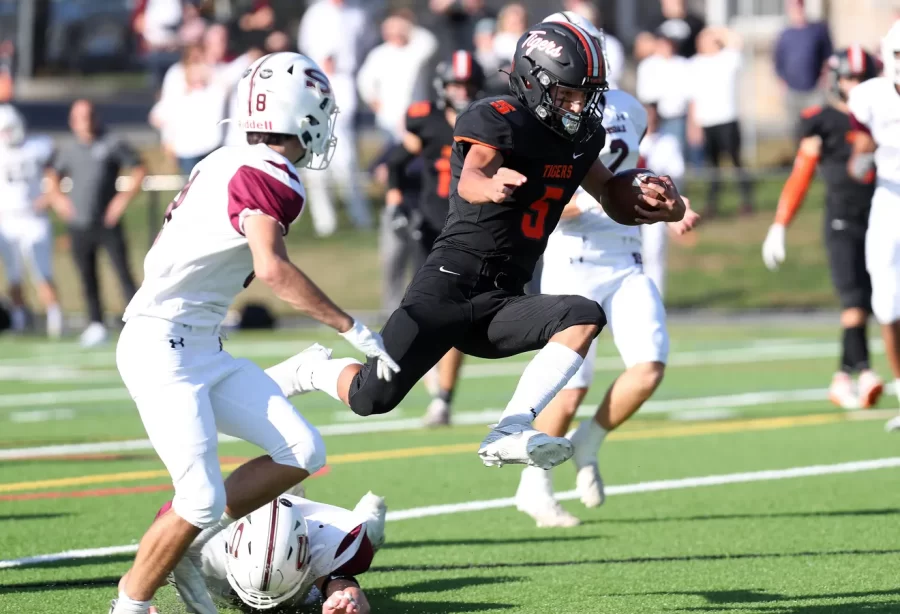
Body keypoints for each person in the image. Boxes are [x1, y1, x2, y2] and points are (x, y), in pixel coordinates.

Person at [269, 22, 686, 471]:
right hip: (447, 287)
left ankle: (510, 428)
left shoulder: (582, 137)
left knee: (583, 315)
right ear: (533, 80)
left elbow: (608, 195)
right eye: (568, 94)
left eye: (586, 94)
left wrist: (655, 202)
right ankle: (313, 369)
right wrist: (488, 184)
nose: (579, 105)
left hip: (501, 298)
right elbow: (471, 174)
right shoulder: (497, 114)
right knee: (371, 398)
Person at [108, 52, 399, 614]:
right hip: (162, 347)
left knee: (302, 449)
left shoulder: (224, 158)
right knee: (197, 497)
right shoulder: (271, 174)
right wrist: (352, 326)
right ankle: (131, 606)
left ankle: (183, 547)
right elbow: (271, 269)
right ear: (304, 113)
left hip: (198, 345)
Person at [510, 12, 699, 527]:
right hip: (573, 258)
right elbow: (547, 201)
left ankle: (588, 445)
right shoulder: (535, 119)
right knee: (569, 388)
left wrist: (669, 210)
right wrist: (602, 204)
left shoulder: (630, 109)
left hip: (626, 256)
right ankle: (534, 484)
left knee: (650, 365)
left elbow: (635, 175)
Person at [763, 45, 883, 410]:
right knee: (855, 301)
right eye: (850, 77)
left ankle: (843, 377)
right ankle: (863, 372)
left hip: (882, 218)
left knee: (877, 302)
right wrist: (780, 223)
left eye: (862, 78)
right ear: (835, 80)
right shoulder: (823, 121)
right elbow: (801, 172)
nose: (856, 84)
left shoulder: (886, 115)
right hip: (843, 219)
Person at [383, 50, 485, 426]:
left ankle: (442, 397)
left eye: (469, 85)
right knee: (420, 306)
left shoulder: (489, 123)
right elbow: (395, 161)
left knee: (456, 312)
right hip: (427, 225)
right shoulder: (425, 120)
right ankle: (430, 381)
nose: (463, 91)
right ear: (444, 86)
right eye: (457, 84)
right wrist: (396, 203)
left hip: (468, 227)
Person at [115, 488, 385, 614]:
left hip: (302, 587)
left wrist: (348, 600)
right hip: (221, 571)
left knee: (367, 531)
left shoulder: (334, 539)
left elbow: (338, 579)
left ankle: (370, 515)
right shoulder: (198, 541)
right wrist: (139, 604)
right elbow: (136, 577)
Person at [45, 100, 145, 347]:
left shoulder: (111, 143)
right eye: (79, 117)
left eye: (88, 115)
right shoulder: (68, 149)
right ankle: (95, 323)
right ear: (72, 121)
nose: (84, 121)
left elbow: (139, 169)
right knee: (87, 275)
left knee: (123, 272)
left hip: (107, 222)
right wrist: (59, 201)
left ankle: (139, 323)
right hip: (79, 223)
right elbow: (52, 176)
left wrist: (121, 201)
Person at [847, 23, 900, 428]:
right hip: (889, 197)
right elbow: (858, 144)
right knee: (885, 297)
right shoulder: (870, 96)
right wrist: (860, 157)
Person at [0, 105, 63, 337]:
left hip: (33, 218)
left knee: (42, 272)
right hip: (7, 220)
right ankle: (19, 320)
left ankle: (55, 318)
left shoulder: (38, 146)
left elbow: (59, 169)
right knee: (13, 275)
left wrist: (50, 195)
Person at [689, 26, 754, 218]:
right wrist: (693, 125)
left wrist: (718, 31)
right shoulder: (695, 63)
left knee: (736, 161)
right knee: (712, 165)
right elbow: (693, 97)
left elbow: (738, 40)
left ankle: (746, 200)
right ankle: (712, 203)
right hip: (707, 120)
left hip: (728, 118)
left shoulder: (729, 58)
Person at [774, 0, 833, 141]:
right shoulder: (785, 34)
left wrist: (824, 80)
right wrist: (782, 84)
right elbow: (777, 62)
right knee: (796, 130)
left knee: (817, 128)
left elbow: (828, 58)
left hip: (814, 90)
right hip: (792, 90)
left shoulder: (817, 30)